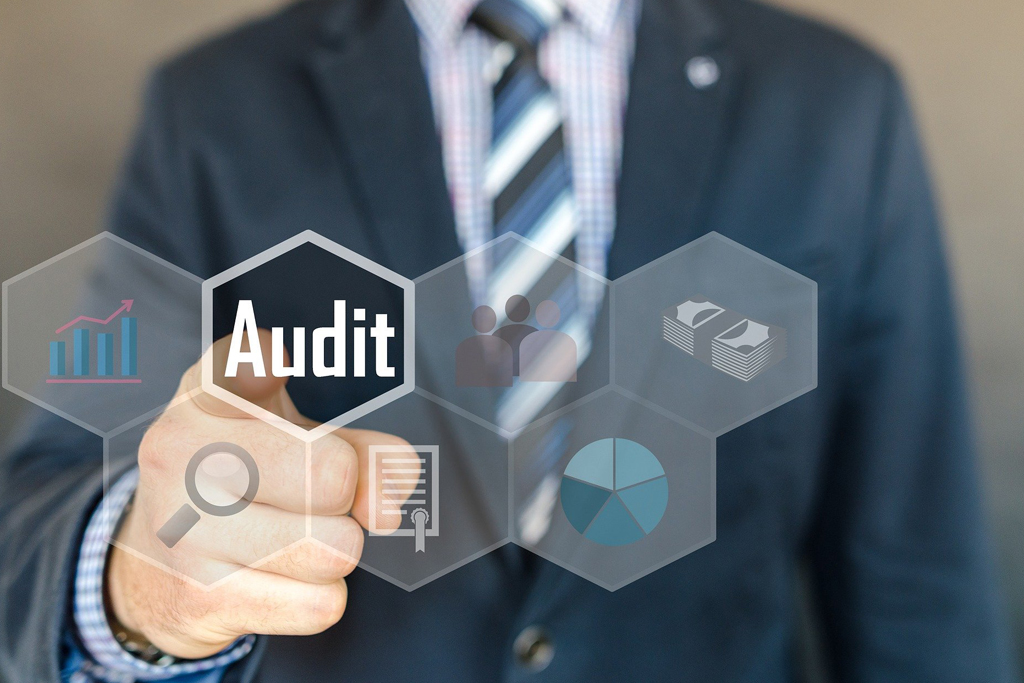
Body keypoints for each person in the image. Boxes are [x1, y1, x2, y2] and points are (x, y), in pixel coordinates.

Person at [0, 0, 1018, 682]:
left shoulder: (834, 103)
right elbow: (52, 491)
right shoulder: (216, 107)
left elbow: (913, 569)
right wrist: (141, 582)